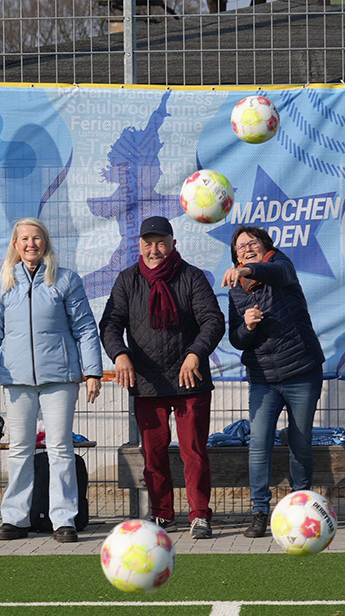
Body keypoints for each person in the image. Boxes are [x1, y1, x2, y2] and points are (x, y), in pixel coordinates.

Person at [0, 217, 103, 544]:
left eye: (37, 238)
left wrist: (93, 372)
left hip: (60, 377)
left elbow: (86, 328)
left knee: (60, 447)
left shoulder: (65, 280)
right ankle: (15, 518)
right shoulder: (2, 284)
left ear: (45, 242)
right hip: (17, 379)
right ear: (15, 245)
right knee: (20, 448)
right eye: (24, 239)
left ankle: (64, 520)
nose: (31, 244)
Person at [100, 216, 225, 539]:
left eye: (161, 243)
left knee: (193, 452)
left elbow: (213, 320)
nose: (154, 250)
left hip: (190, 381)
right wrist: (120, 354)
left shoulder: (192, 276)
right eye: (148, 243)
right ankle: (162, 514)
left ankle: (200, 515)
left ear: (173, 244)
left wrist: (195, 353)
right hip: (147, 383)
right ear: (139, 246)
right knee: (153, 455)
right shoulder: (127, 280)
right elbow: (110, 323)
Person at [222, 226, 325, 539]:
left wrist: (248, 269)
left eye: (252, 243)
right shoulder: (236, 290)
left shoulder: (281, 265)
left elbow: (276, 272)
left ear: (265, 245)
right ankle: (259, 511)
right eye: (240, 247)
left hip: (302, 370)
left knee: (300, 442)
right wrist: (248, 327)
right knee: (259, 443)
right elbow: (236, 339)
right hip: (263, 378)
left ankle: (300, 505)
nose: (247, 249)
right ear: (235, 256)